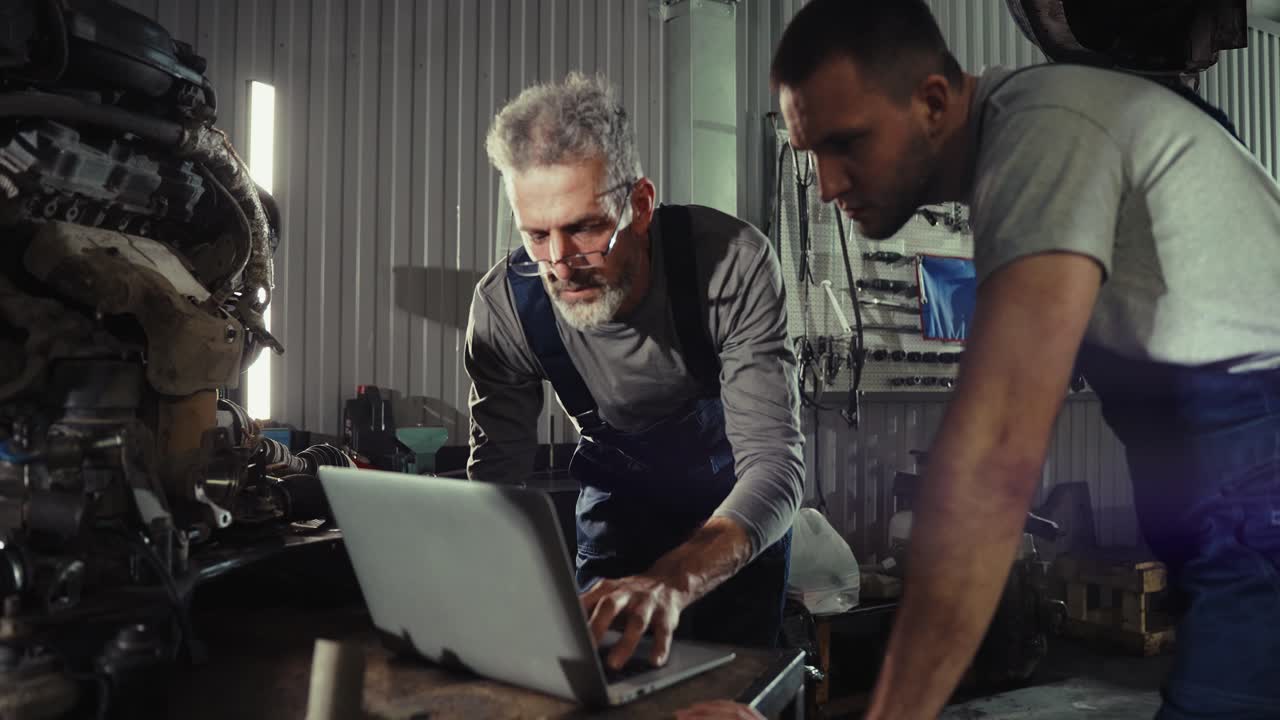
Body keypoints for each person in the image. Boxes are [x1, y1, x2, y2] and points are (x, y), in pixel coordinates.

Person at [768, 1, 1280, 718]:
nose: (826, 184)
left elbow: (992, 462)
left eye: (846, 143)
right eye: (810, 153)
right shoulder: (1046, 127)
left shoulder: (1043, 133)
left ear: (934, 101)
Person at [464, 72, 804, 671]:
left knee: (735, 685)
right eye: (536, 235)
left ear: (639, 206)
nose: (560, 264)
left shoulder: (732, 265)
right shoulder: (506, 309)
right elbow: (497, 487)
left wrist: (671, 579)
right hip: (619, 504)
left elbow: (774, 467)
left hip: (733, 505)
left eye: (585, 228)